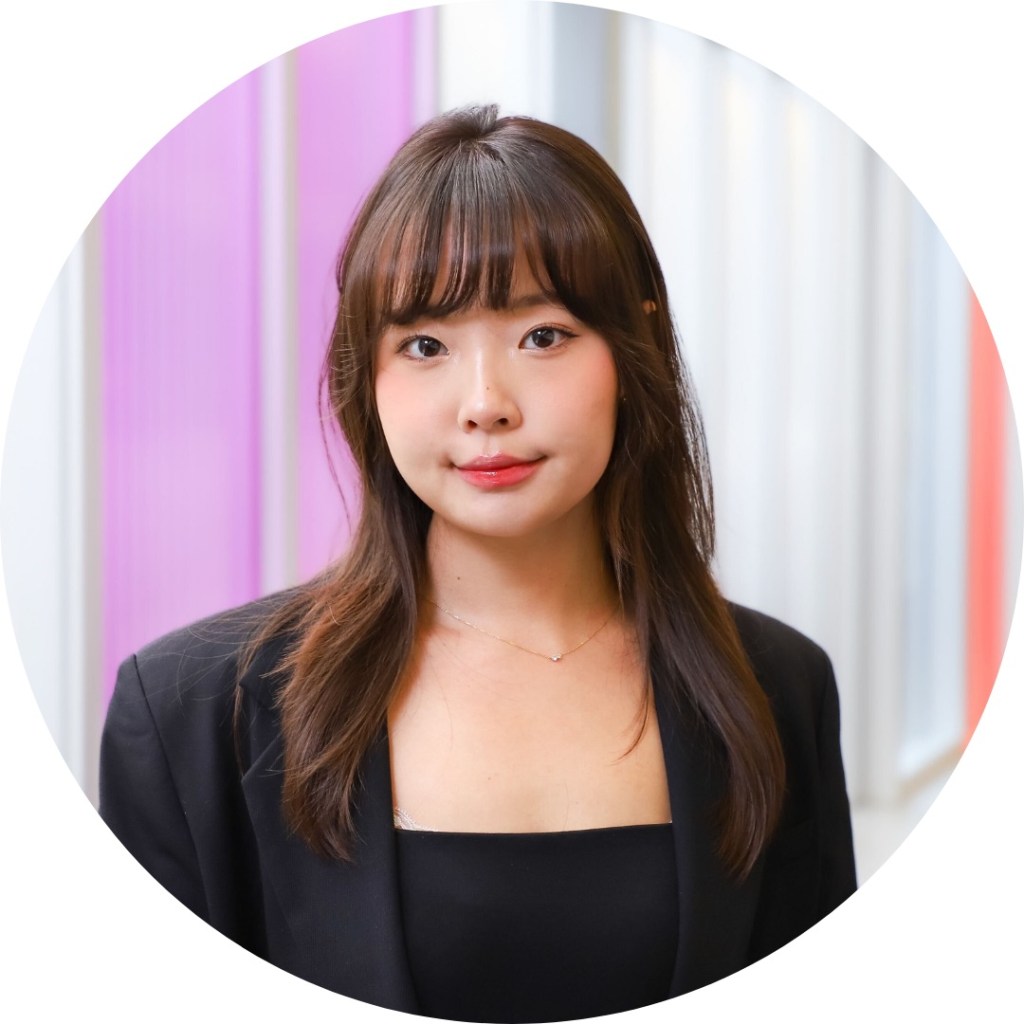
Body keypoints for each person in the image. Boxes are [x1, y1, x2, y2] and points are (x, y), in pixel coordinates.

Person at [99, 105, 856, 1023]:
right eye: (425, 346)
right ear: (368, 378)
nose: (486, 403)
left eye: (543, 335)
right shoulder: (189, 710)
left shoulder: (777, 688)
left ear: (634, 347)